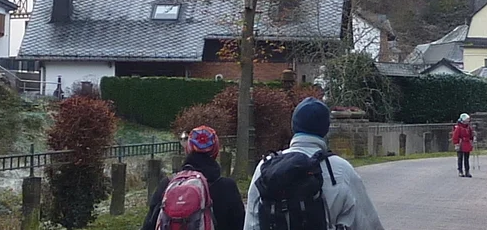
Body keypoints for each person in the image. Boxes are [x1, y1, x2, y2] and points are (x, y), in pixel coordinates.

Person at [244, 98, 384, 230]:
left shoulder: (266, 166)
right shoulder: (341, 170)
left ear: (293, 126)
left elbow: (251, 223)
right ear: (326, 129)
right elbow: (368, 222)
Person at [143, 126, 244, 230]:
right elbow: (239, 225)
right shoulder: (227, 187)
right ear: (215, 150)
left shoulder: (168, 184)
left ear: (188, 149)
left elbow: (149, 224)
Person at [452, 114, 475, 178]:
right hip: (460, 144)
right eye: (467, 120)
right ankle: (460, 171)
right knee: (460, 158)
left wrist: (472, 140)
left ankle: (467, 171)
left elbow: (471, 135)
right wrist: (456, 144)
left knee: (466, 159)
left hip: (467, 144)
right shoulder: (458, 128)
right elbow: (455, 136)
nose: (468, 121)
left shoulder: (468, 127)